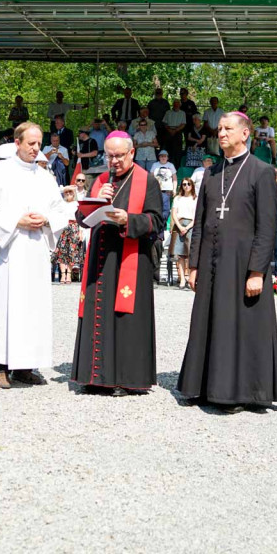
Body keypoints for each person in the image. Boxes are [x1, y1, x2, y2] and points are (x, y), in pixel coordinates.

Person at [176, 112, 277, 412]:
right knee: (209, 323)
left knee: (238, 326)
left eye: (227, 129)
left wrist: (257, 271)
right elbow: (199, 222)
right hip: (210, 262)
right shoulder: (210, 173)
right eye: (219, 129)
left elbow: (266, 228)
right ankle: (203, 386)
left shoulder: (261, 172)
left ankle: (238, 392)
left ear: (245, 133)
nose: (221, 133)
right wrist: (194, 264)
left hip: (242, 266)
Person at [72, 130, 163, 396]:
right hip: (100, 260)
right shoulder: (100, 179)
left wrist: (129, 219)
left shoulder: (148, 181)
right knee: (97, 314)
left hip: (130, 259)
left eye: (119, 156)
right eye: (109, 156)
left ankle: (124, 379)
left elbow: (156, 222)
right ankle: (95, 376)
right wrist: (97, 199)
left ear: (132, 152)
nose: (114, 161)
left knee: (125, 318)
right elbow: (81, 217)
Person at [0, 122, 69, 388]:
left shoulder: (45, 176)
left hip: (35, 252)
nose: (36, 148)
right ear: (17, 143)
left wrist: (47, 219)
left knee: (32, 308)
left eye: (38, 143)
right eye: (31, 143)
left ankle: (25, 366)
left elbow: (59, 210)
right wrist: (17, 220)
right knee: (4, 306)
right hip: (8, 250)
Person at [170, 179, 197, 289]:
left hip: (191, 226)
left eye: (188, 184)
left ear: (192, 185)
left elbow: (196, 216)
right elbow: (174, 213)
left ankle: (191, 278)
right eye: (184, 184)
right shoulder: (177, 198)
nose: (186, 186)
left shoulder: (195, 199)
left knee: (190, 254)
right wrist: (180, 226)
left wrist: (187, 227)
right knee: (180, 254)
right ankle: (182, 279)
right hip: (179, 224)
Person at [54, 186, 81, 284]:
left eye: (70, 192)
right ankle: (63, 274)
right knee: (62, 251)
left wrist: (80, 232)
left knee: (72, 251)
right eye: (66, 192)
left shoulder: (77, 204)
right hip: (63, 227)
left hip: (74, 226)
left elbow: (80, 218)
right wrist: (66, 188)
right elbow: (57, 191)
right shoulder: (61, 203)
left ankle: (68, 274)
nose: (68, 193)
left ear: (74, 193)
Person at [149, 150, 177, 226]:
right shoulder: (155, 165)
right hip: (156, 190)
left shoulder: (171, 165)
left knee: (166, 209)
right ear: (159, 157)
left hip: (167, 190)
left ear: (167, 158)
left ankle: (162, 224)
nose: (163, 157)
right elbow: (151, 177)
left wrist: (174, 189)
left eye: (165, 156)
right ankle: (156, 224)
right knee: (156, 208)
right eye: (161, 156)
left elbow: (174, 178)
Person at [161, 98, 187, 166]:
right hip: (168, 131)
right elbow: (164, 123)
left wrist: (175, 130)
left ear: (180, 105)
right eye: (175, 104)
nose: (176, 105)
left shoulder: (182, 113)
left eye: (177, 104)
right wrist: (170, 130)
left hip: (178, 131)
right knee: (168, 149)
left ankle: (177, 166)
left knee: (177, 151)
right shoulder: (168, 112)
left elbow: (183, 124)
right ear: (173, 105)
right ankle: (167, 165)